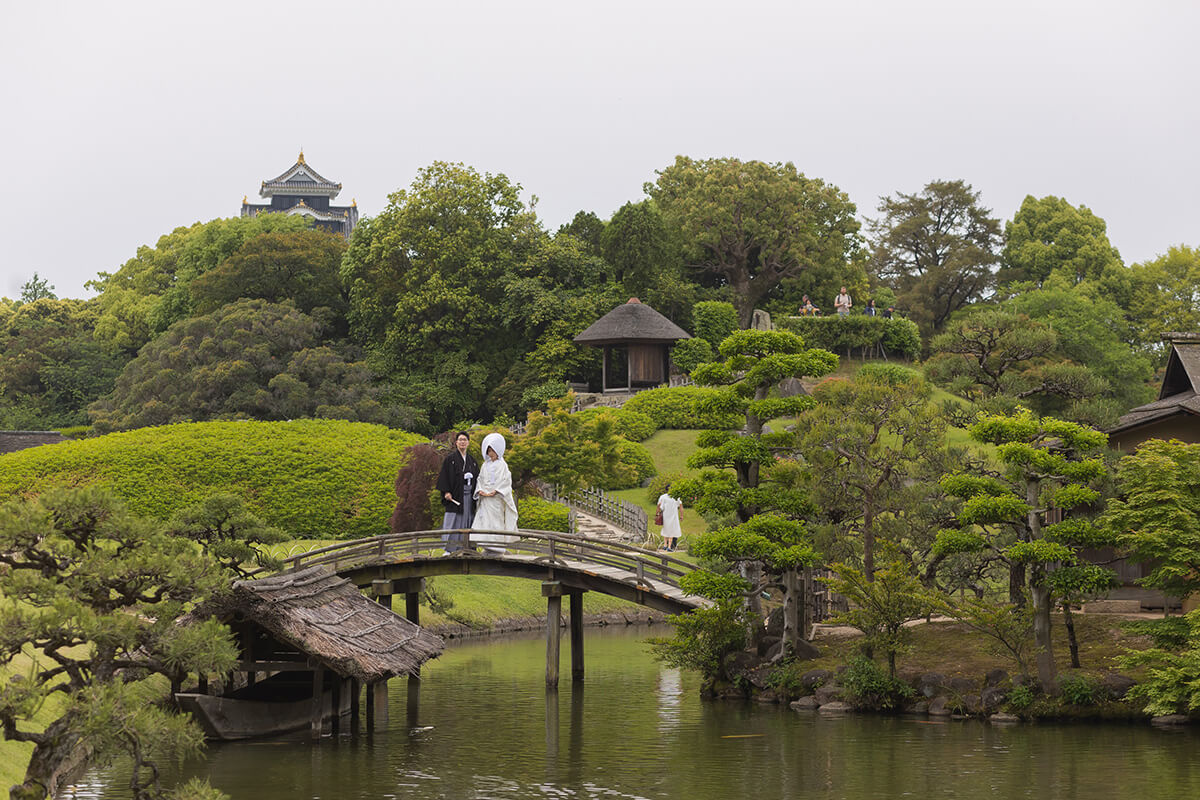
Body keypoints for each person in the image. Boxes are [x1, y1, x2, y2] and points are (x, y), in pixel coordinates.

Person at [472, 431, 518, 552]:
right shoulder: (484, 465)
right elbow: (480, 479)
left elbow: (506, 481)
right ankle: (486, 545)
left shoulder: (503, 465)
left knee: (496, 522)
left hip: (496, 498)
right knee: (485, 521)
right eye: (488, 451)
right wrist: (480, 490)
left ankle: (497, 546)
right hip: (485, 499)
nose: (490, 453)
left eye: (492, 451)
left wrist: (497, 491)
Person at [436, 431, 478, 553]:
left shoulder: (473, 461)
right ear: (456, 443)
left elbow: (478, 479)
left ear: (468, 442)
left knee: (468, 521)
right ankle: (449, 549)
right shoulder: (450, 460)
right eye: (460, 440)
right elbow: (444, 476)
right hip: (455, 496)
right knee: (453, 522)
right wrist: (446, 491)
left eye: (465, 440)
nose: (462, 442)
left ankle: (467, 548)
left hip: (469, 497)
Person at [657, 487, 683, 552]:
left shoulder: (663, 497)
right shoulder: (677, 497)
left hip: (666, 516)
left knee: (666, 529)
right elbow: (680, 506)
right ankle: (669, 547)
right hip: (673, 516)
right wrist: (681, 515)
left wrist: (657, 514)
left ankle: (665, 545)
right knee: (672, 530)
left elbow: (661, 507)